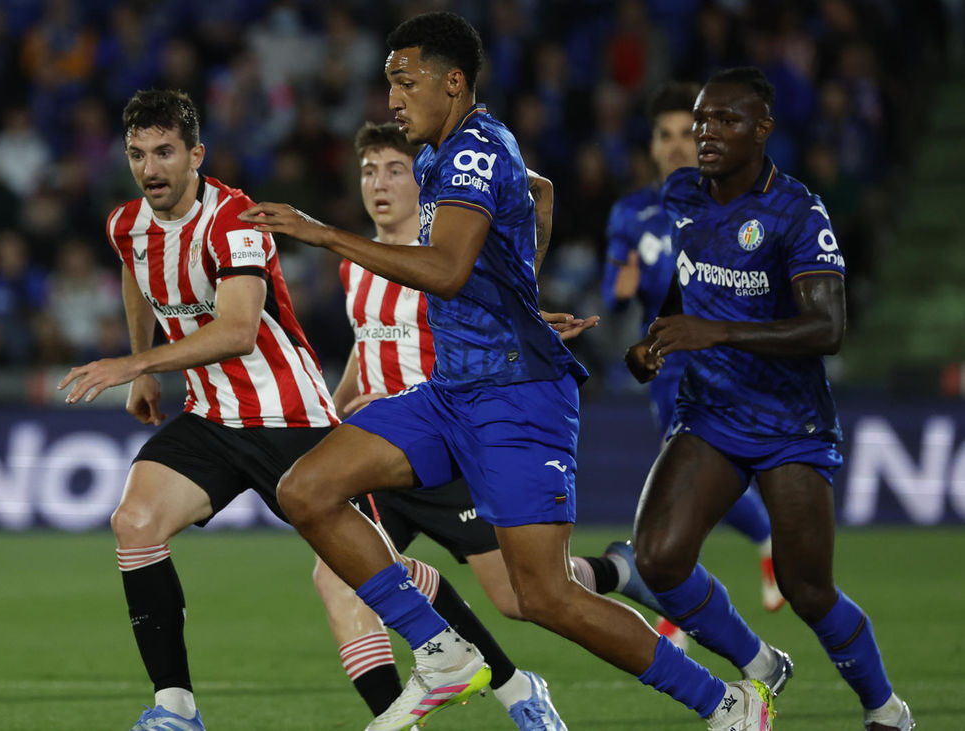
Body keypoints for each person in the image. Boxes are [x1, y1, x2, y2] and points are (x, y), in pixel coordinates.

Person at [240, 13, 775, 731]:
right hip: (450, 391)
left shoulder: (470, 153)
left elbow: (448, 268)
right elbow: (542, 192)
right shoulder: (446, 151)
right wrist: (520, 293)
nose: (392, 98)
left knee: (544, 596)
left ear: (453, 82)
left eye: (406, 81)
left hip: (517, 398)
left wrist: (321, 231)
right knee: (306, 489)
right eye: (389, 82)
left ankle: (724, 701)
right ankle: (441, 651)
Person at [58, 89, 560, 731]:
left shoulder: (233, 218)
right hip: (214, 417)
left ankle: (506, 679)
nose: (151, 169)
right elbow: (136, 267)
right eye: (137, 154)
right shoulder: (126, 224)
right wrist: (141, 362)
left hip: (288, 415)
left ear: (195, 155)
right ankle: (175, 708)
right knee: (135, 522)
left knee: (376, 570)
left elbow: (239, 330)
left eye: (164, 153)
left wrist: (133, 365)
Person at [626, 67, 914, 731]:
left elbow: (828, 327)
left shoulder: (797, 212)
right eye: (701, 121)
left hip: (790, 422)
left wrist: (716, 329)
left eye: (726, 121)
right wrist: (661, 338)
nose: (707, 134)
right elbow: (689, 278)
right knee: (658, 556)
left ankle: (888, 711)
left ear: (762, 131)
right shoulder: (681, 195)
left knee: (806, 588)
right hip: (709, 412)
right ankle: (758, 661)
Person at [316, 121, 579, 729]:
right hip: (387, 451)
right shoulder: (357, 267)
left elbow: (488, 322)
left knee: (521, 598)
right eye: (368, 171)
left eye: (394, 170)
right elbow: (367, 342)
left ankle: (527, 678)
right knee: (338, 577)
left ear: (423, 180)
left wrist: (531, 318)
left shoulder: (445, 263)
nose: (379, 184)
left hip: (451, 447)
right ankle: (396, 713)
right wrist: (342, 403)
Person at [599, 82, 784, 650]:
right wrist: (620, 287)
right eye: (667, 135)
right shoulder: (629, 214)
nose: (679, 144)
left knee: (683, 483)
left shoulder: (723, 204)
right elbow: (612, 296)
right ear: (651, 146)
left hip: (723, 363)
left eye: (689, 132)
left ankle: (677, 607)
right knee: (694, 485)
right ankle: (764, 543)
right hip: (666, 370)